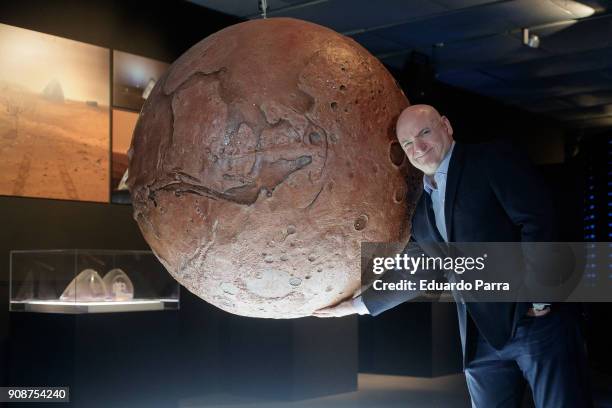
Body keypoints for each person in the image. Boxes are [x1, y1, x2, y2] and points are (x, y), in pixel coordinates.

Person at [314, 105, 592, 407]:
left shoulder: (490, 160)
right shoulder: (420, 207)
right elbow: (419, 270)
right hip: (479, 335)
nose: (418, 147)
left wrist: (540, 298)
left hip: (537, 324)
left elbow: (538, 221)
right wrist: (357, 306)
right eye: (408, 144)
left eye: (424, 133)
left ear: (446, 125)